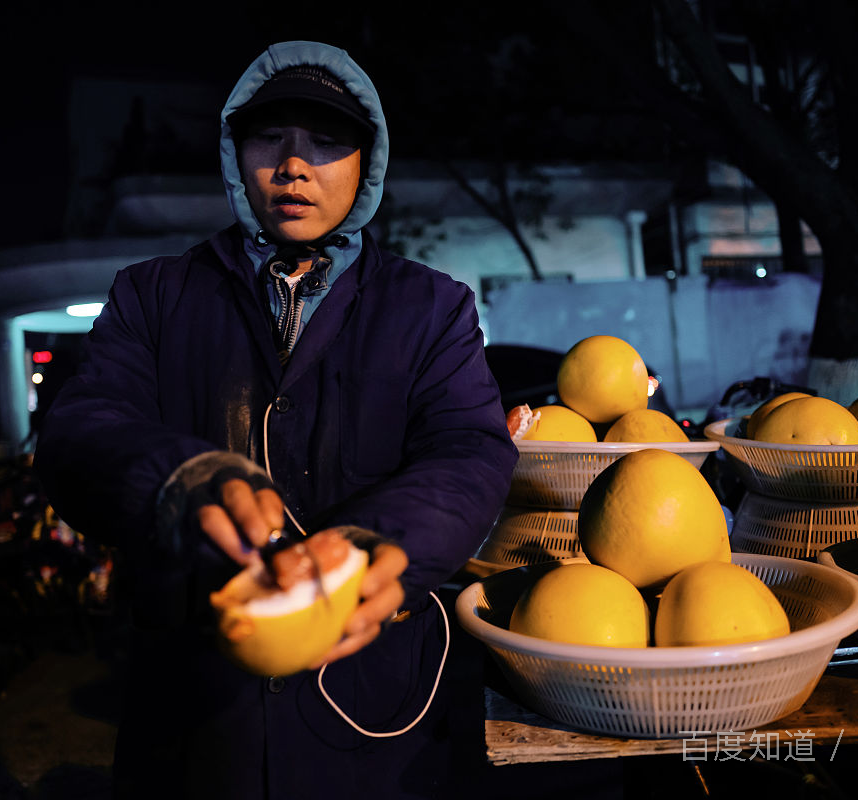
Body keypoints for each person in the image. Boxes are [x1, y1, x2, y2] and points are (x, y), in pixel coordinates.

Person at [33, 40, 518, 799]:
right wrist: (182, 480)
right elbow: (81, 429)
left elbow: (469, 451)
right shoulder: (153, 296)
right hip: (197, 722)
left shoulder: (430, 306)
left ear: (368, 163)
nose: (294, 165)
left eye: (326, 141)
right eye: (270, 138)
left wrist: (377, 545)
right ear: (235, 154)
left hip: (375, 717)